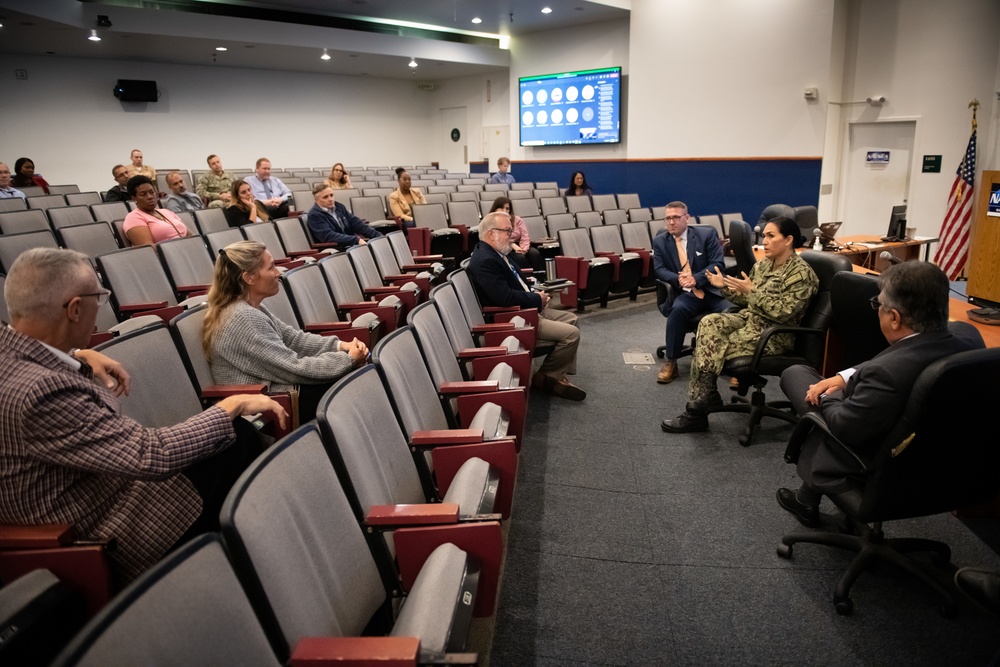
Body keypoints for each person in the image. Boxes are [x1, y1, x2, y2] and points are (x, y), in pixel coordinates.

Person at [0, 247, 287, 584]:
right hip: (111, 531)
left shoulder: (14, 356)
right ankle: (231, 578)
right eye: (99, 297)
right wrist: (230, 405)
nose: (100, 309)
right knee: (238, 438)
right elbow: (152, 455)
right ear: (75, 309)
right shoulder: (42, 393)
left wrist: (74, 353)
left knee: (232, 440)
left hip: (105, 490)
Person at [775, 261, 985, 527]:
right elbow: (904, 357)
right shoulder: (969, 336)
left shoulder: (886, 374)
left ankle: (807, 498)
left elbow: (845, 428)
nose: (878, 311)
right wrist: (843, 377)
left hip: (883, 463)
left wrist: (829, 396)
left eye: (879, 305)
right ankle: (807, 498)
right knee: (818, 384)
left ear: (895, 318)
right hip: (948, 465)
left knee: (796, 376)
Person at [661, 216, 819, 433]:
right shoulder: (764, 264)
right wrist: (724, 287)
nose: (764, 241)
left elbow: (783, 313)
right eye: (764, 235)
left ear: (788, 240)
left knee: (712, 345)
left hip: (773, 334)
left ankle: (697, 409)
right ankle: (708, 395)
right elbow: (745, 300)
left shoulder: (801, 274)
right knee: (708, 323)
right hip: (750, 320)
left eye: (771, 236)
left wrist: (751, 291)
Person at [203, 240, 369, 420]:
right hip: (270, 404)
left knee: (359, 378)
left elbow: (294, 340)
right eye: (271, 268)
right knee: (356, 386)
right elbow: (294, 368)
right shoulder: (243, 318)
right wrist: (347, 360)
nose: (278, 273)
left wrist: (340, 346)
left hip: (280, 389)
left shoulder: (250, 308)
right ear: (249, 277)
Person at [467, 212, 585, 401]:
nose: (512, 235)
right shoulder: (485, 260)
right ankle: (547, 377)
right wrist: (536, 299)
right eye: (507, 231)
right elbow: (504, 298)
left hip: (525, 307)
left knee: (573, 319)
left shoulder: (499, 253)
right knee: (571, 334)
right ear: (491, 234)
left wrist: (536, 295)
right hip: (514, 317)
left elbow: (515, 285)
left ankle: (555, 375)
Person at [651, 201, 731, 384]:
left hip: (711, 290)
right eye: (668, 218)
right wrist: (678, 279)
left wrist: (696, 278)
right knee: (677, 311)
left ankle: (734, 364)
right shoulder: (660, 241)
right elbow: (659, 269)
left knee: (732, 311)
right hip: (687, 293)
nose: (671, 222)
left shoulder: (706, 235)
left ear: (687, 218)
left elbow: (718, 264)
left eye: (676, 218)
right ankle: (671, 362)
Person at [122, 175, 191, 247]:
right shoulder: (133, 218)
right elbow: (150, 249)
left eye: (152, 192)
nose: (150, 197)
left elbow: (191, 235)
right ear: (134, 199)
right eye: (143, 194)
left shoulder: (166, 212)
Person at [306, 184, 382, 246]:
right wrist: (355, 240)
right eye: (325, 197)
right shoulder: (314, 215)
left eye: (331, 195)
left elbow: (356, 223)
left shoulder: (339, 207)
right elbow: (328, 236)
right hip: (335, 248)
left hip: (350, 244)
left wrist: (379, 236)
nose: (330, 199)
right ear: (316, 200)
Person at [489, 196, 544, 273]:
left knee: (535, 253)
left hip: (521, 246)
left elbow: (525, 236)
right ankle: (528, 279)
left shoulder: (517, 219)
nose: (504, 211)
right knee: (520, 258)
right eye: (501, 208)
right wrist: (514, 246)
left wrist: (524, 248)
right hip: (505, 248)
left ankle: (541, 277)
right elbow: (500, 239)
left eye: (507, 208)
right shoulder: (491, 221)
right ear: (495, 209)